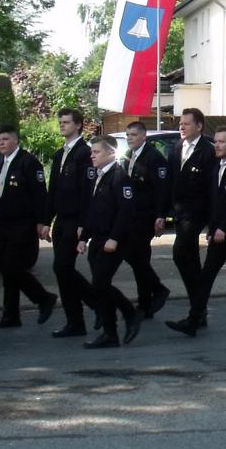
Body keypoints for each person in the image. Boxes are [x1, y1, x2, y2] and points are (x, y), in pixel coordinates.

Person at [168, 126, 226, 337]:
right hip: (219, 233)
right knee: (206, 277)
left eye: (221, 142)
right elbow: (216, 202)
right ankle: (194, 320)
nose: (216, 145)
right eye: (215, 141)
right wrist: (213, 226)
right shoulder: (217, 165)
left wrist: (224, 227)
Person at [0, 125, 58, 329]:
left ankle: (44, 298)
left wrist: (42, 222)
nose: (1, 143)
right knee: (6, 270)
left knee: (13, 267)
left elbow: (40, 194)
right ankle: (10, 315)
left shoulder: (28, 162)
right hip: (3, 224)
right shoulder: (3, 162)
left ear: (16, 140)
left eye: (5, 139)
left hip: (22, 225)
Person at [77, 136, 142, 348]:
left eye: (96, 152)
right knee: (100, 286)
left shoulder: (119, 177)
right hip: (98, 238)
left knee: (100, 283)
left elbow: (127, 211)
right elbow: (94, 210)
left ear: (111, 153)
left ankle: (121, 322)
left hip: (114, 240)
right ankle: (117, 325)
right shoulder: (99, 176)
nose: (92, 156)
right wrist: (84, 238)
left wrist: (114, 238)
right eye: (92, 152)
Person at [42, 107, 97, 338]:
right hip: (61, 221)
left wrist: (84, 224)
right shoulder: (60, 154)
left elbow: (87, 191)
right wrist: (46, 220)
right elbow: (53, 190)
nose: (62, 125)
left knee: (62, 268)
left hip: (75, 220)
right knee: (63, 271)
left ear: (78, 125)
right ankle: (75, 321)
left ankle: (97, 303)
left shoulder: (84, 153)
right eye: (60, 122)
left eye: (66, 122)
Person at [167, 108, 216, 322]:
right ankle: (198, 309)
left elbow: (212, 189)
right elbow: (170, 182)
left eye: (186, 123)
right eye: (180, 123)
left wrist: (213, 222)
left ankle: (198, 307)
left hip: (197, 213)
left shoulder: (208, 151)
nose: (182, 127)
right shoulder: (177, 147)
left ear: (199, 126)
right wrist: (163, 212)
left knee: (180, 253)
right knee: (191, 260)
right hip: (179, 212)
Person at [120, 121, 172, 318]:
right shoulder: (130, 155)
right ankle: (147, 303)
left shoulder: (153, 157)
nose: (130, 138)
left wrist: (160, 215)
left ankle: (156, 292)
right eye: (128, 135)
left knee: (135, 255)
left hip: (146, 215)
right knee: (138, 258)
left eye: (133, 135)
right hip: (131, 215)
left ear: (143, 136)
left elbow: (161, 189)